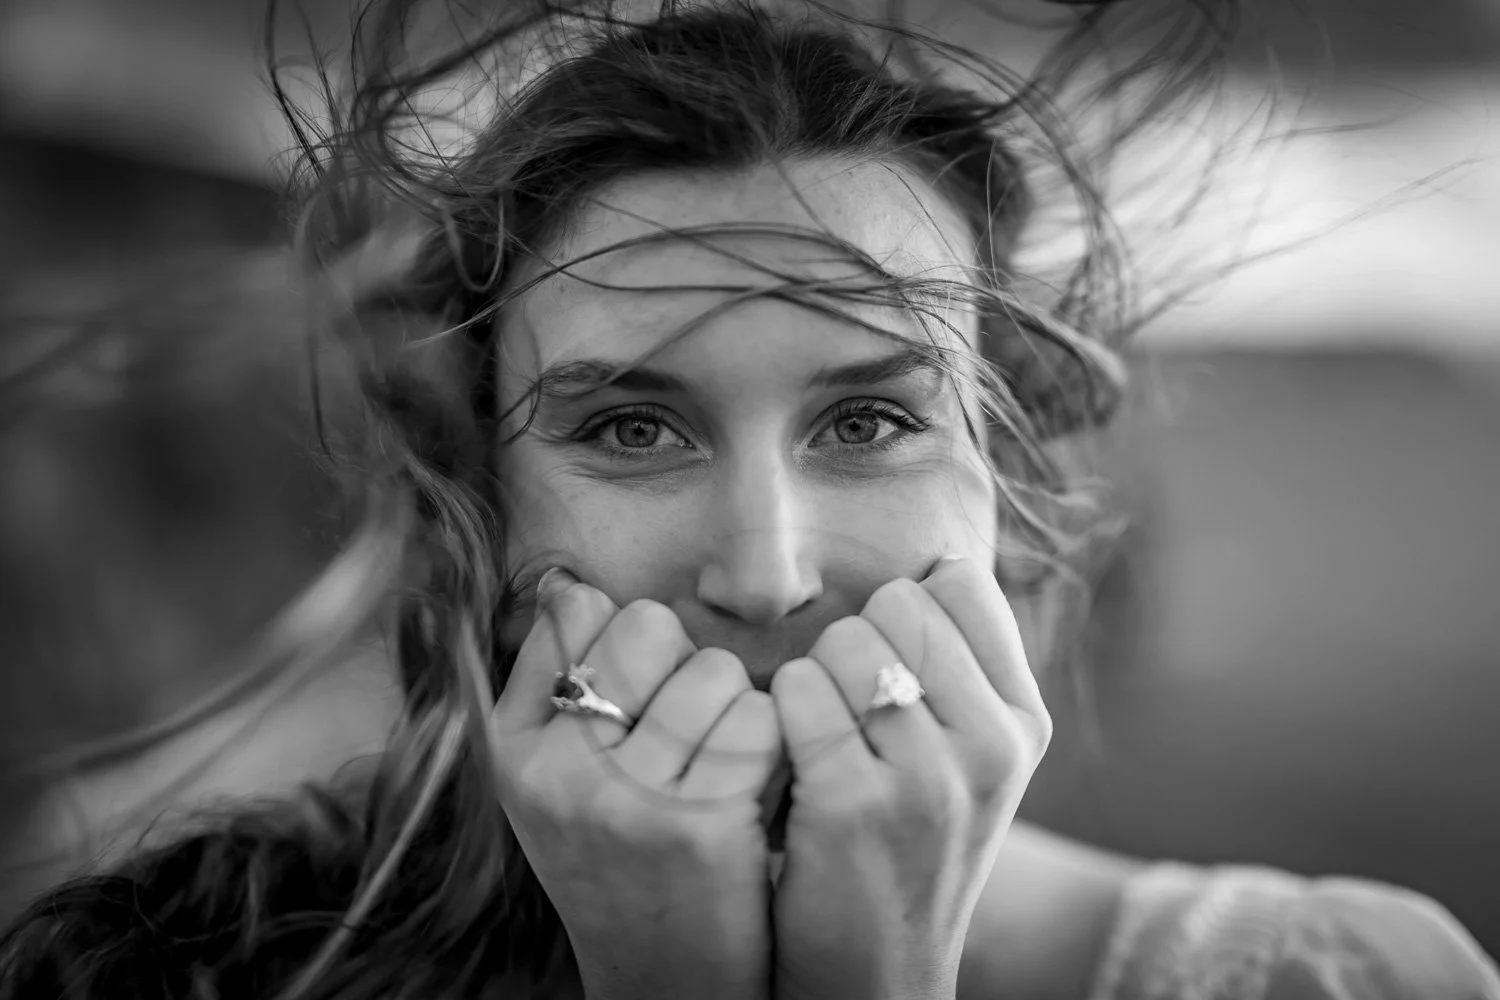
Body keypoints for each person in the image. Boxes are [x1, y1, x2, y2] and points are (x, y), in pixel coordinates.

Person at [1, 1, 1497, 998]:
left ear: (1006, 484)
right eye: (632, 428)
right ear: (486, 501)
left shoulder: (1347, 976)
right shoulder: (173, 966)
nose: (767, 574)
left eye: (869, 420)